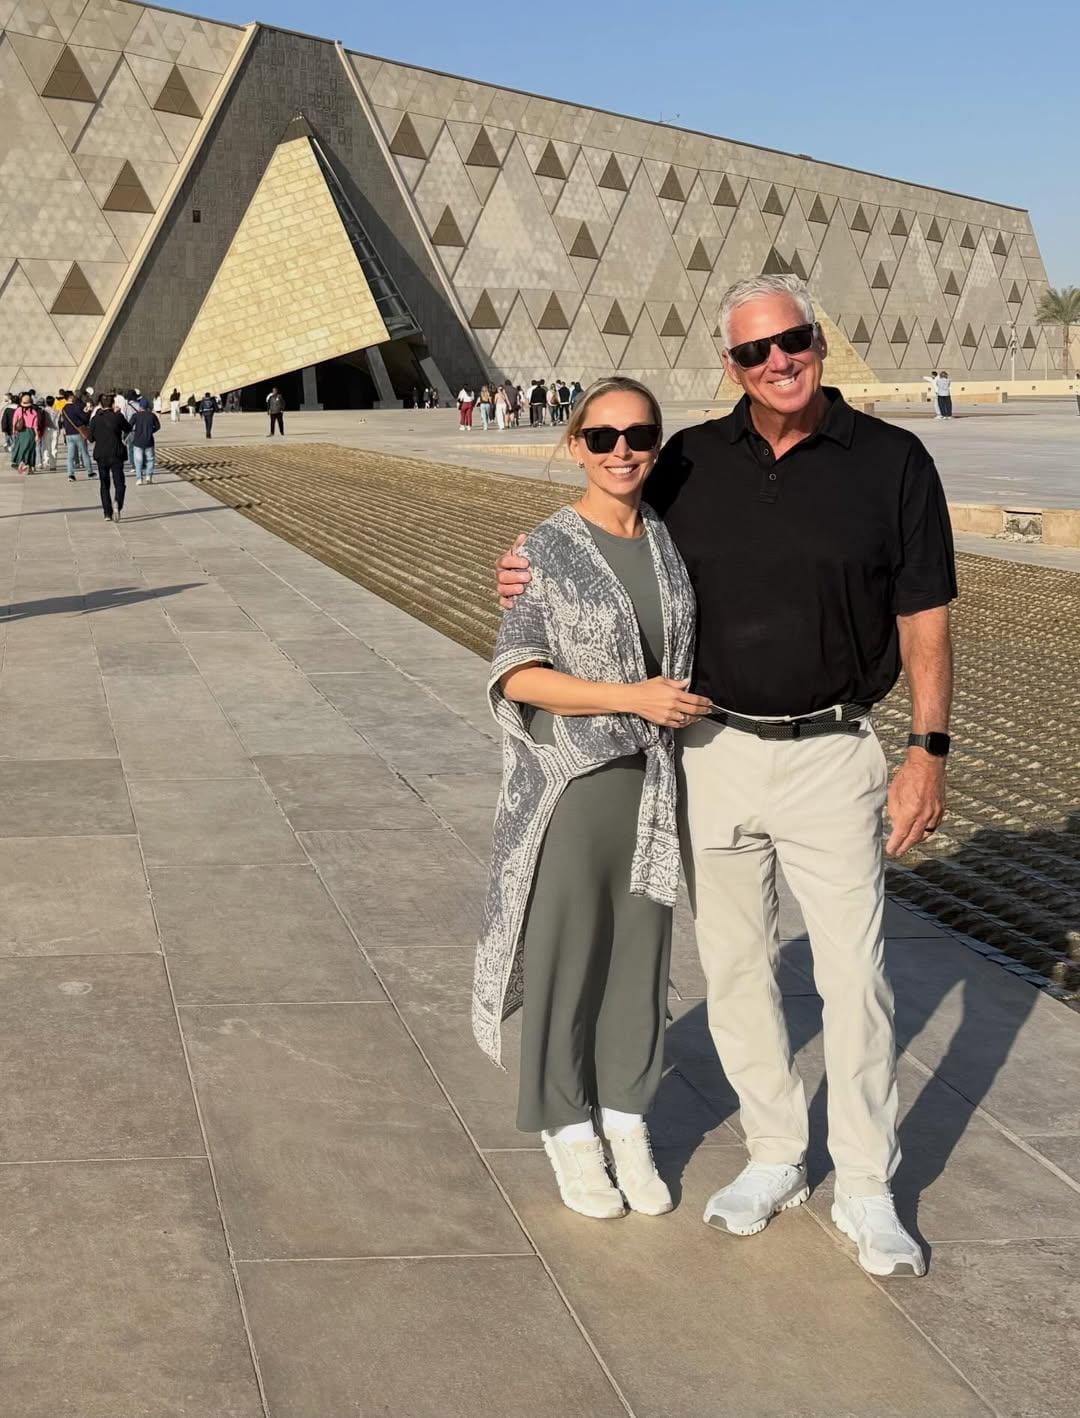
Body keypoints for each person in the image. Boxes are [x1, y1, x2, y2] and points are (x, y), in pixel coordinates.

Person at [497, 273, 956, 1277]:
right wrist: (524, 559)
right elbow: (601, 512)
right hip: (711, 752)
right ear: (730, 363)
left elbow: (926, 614)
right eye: (755, 351)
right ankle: (777, 1153)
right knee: (739, 969)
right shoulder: (691, 459)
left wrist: (929, 749)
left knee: (853, 977)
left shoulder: (892, 461)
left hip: (835, 752)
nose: (778, 361)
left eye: (792, 340)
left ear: (818, 340)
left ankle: (869, 1181)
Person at [475, 376, 706, 1220]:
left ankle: (627, 1116)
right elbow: (518, 675)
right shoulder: (545, 547)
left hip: (651, 786)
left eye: (639, 436)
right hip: (574, 787)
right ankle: (568, 1129)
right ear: (575, 443)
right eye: (603, 437)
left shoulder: (670, 542)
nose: (622, 452)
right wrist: (633, 698)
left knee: (640, 961)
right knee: (570, 959)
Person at [89, 393, 130, 522]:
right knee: (119, 483)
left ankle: (107, 513)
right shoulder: (118, 417)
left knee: (104, 484)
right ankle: (117, 501)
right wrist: (118, 414)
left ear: (100, 404)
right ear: (113, 404)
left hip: (101, 454)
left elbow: (91, 438)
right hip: (116, 453)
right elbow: (128, 428)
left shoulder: (95, 419)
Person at [62, 391, 93, 480]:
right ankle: (90, 472)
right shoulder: (75, 407)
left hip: (69, 434)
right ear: (70, 397)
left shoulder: (64, 409)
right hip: (78, 433)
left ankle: (71, 474)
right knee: (84, 453)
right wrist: (88, 412)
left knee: (70, 455)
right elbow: (84, 418)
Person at [9, 393, 42, 473]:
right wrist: (37, 435)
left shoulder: (18, 410)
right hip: (30, 432)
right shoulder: (34, 412)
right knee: (31, 450)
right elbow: (35, 426)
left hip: (21, 432)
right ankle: (29, 467)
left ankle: (23, 463)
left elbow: (14, 421)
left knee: (22, 449)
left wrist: (14, 431)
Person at [130, 397, 160, 484]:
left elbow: (129, 425)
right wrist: (151, 431)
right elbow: (158, 427)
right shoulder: (152, 415)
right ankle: (148, 477)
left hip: (138, 441)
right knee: (150, 459)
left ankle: (139, 479)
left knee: (138, 460)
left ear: (140, 406)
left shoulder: (136, 416)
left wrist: (134, 431)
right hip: (149, 440)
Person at [40, 395, 59, 470]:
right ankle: (53, 465)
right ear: (53, 402)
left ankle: (46, 462)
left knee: (45, 447)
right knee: (54, 447)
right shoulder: (57, 411)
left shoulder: (43, 411)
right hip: (55, 430)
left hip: (46, 430)